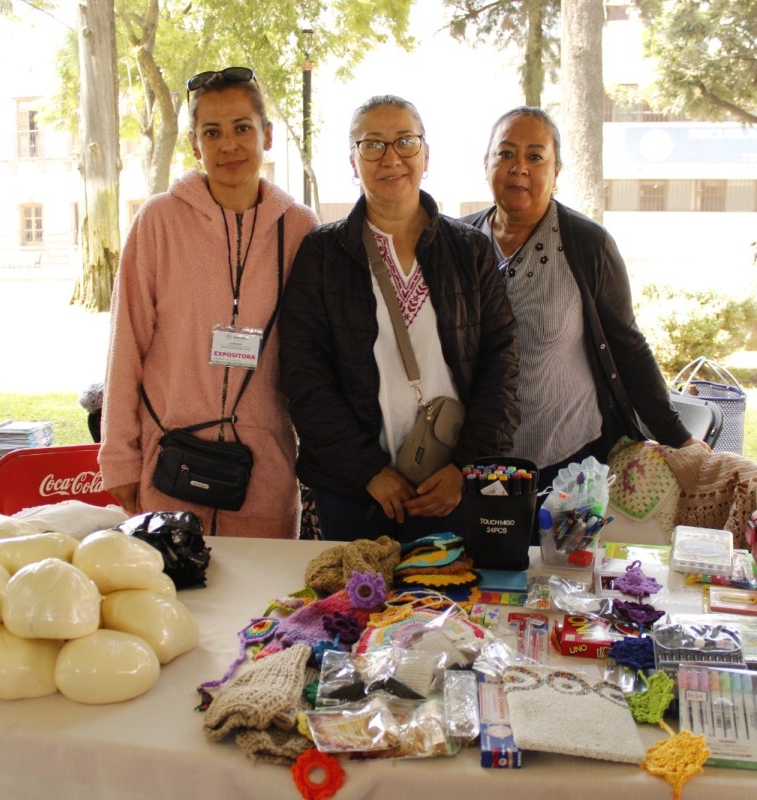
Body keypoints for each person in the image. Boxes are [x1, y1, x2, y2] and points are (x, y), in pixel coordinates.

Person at [279, 94, 520, 543]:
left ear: (426, 155)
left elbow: (501, 365)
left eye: (405, 142)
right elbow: (303, 374)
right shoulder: (322, 253)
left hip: (449, 491)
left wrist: (465, 469)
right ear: (353, 161)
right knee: (353, 612)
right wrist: (368, 471)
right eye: (372, 145)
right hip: (357, 495)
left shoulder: (470, 250)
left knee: (452, 610)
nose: (391, 157)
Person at [99, 67, 318, 537]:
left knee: (260, 607)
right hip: (169, 468)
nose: (229, 145)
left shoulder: (300, 228)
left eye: (242, 128)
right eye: (211, 132)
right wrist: (119, 456)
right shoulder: (158, 221)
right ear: (196, 145)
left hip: (264, 477)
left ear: (267, 135)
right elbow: (126, 343)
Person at [461, 106, 704, 505]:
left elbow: (627, 345)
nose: (518, 167)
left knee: (560, 566)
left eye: (535, 156)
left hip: (566, 458)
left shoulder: (587, 245)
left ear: (556, 171)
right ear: (485, 164)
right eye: (505, 153)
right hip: (477, 459)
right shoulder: (459, 240)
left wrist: (677, 436)